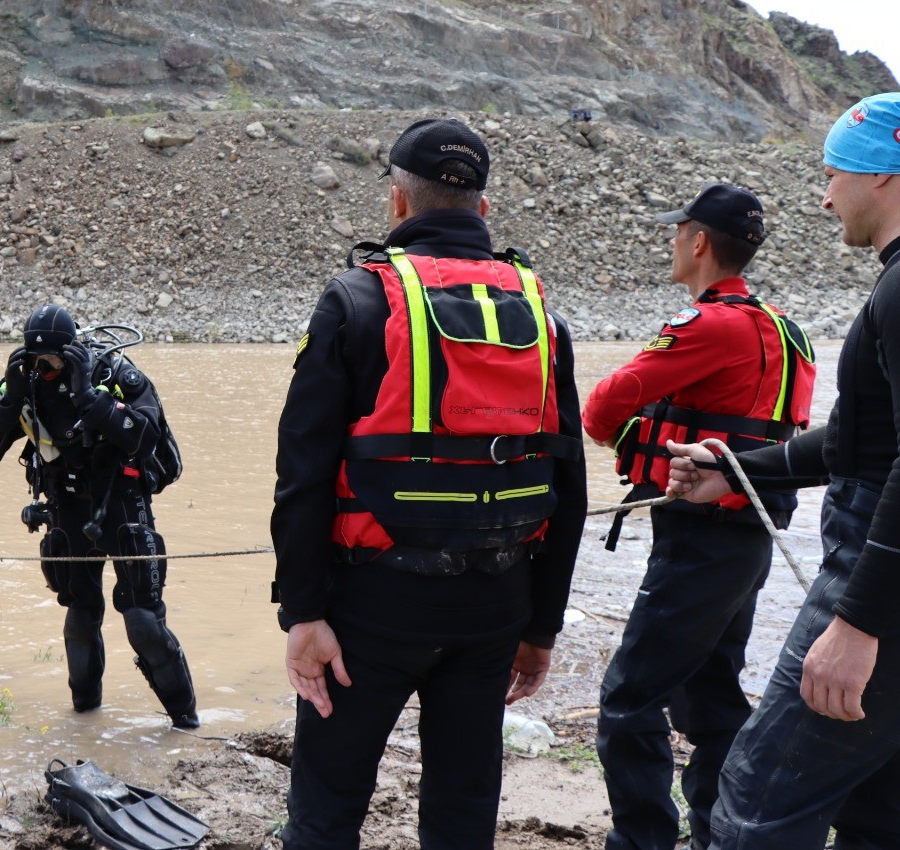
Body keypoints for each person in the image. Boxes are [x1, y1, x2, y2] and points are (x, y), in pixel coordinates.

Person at [271, 118, 588, 850]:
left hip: (370, 612)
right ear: (482, 210)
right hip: (494, 611)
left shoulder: (355, 300)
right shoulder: (544, 316)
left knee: (326, 810)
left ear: (397, 205)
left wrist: (303, 612)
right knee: (463, 808)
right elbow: (566, 484)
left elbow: (304, 476)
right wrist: (540, 626)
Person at [666, 92, 900, 849]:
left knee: (755, 800)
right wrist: (736, 469)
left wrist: (858, 626)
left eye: (837, 173)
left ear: (886, 177)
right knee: (876, 809)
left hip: (878, 587)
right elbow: (860, 442)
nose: (826, 195)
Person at [583, 183, 815, 850]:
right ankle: (718, 832)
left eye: (676, 230)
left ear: (699, 242)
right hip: (748, 541)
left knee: (628, 700)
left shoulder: (707, 326)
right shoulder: (787, 330)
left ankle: (643, 842)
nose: (671, 241)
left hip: (698, 538)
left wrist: (633, 437)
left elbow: (602, 410)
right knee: (710, 697)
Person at [0, 305, 198, 729]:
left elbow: (147, 437)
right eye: (37, 361)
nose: (45, 369)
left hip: (122, 505)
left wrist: (89, 398)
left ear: (71, 351)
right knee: (80, 615)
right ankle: (85, 723)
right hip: (67, 509)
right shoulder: (24, 386)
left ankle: (186, 723)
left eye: (53, 360)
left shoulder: (112, 374)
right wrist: (12, 398)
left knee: (143, 620)